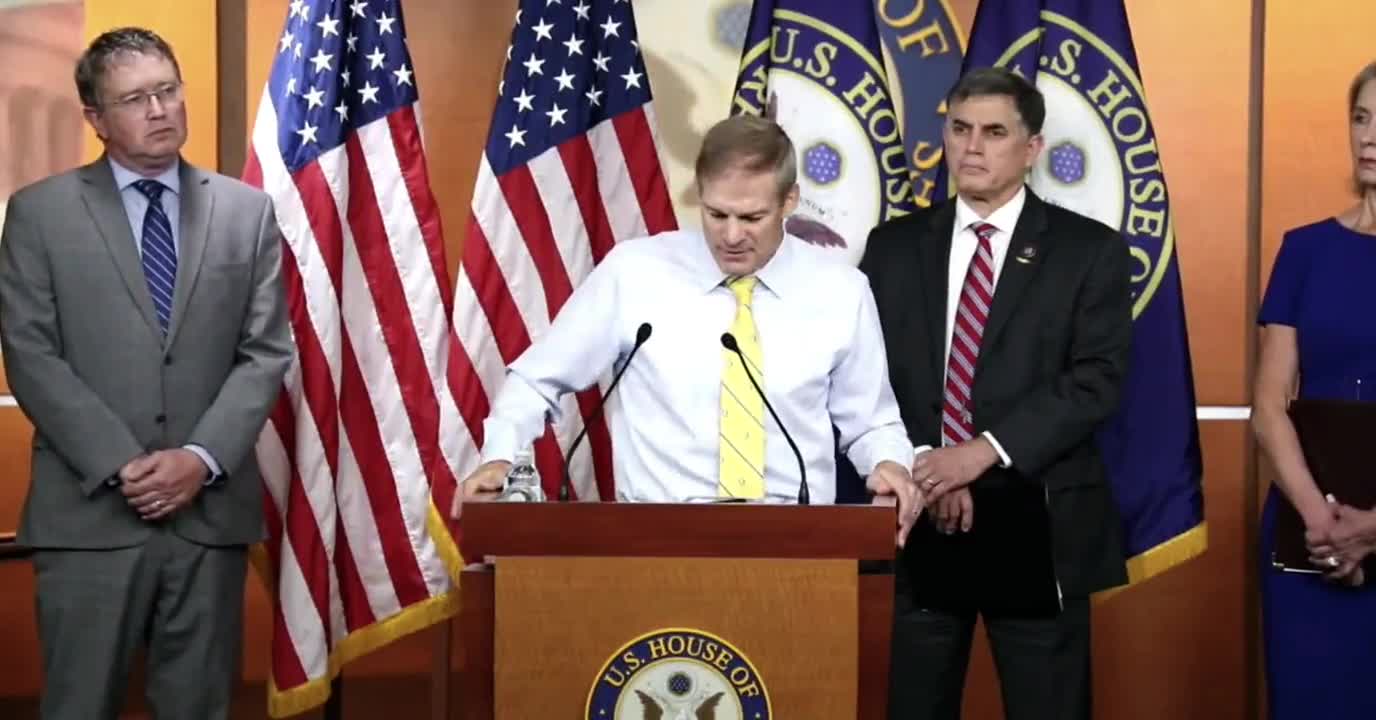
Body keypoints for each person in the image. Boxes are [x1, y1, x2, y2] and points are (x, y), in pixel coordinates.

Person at [0, 27, 292, 719]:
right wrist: (125, 464)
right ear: (97, 120)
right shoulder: (39, 215)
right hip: (90, 517)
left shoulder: (245, 213)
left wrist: (198, 458)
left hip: (207, 519)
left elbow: (266, 352)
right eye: (135, 99)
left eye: (167, 90)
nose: (159, 109)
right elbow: (31, 355)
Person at [451, 114, 920, 541]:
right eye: (717, 214)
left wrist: (888, 465)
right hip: (654, 541)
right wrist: (501, 454)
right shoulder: (635, 274)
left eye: (751, 217)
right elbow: (536, 380)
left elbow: (870, 422)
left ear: (789, 200)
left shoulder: (841, 291)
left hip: (796, 546)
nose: (732, 236)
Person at [861, 67, 1133, 720]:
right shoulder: (893, 247)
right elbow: (869, 378)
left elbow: (1096, 380)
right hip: (917, 512)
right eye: (959, 129)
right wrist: (933, 465)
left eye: (993, 132)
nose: (972, 147)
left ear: (1031, 148)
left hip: (1037, 518)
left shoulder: (1087, 251)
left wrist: (979, 454)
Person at [1252, 59, 1376, 720]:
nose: (1369, 136)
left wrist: (1373, 531)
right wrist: (1323, 524)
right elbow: (1269, 408)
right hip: (1308, 538)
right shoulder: (1304, 250)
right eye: (1360, 118)